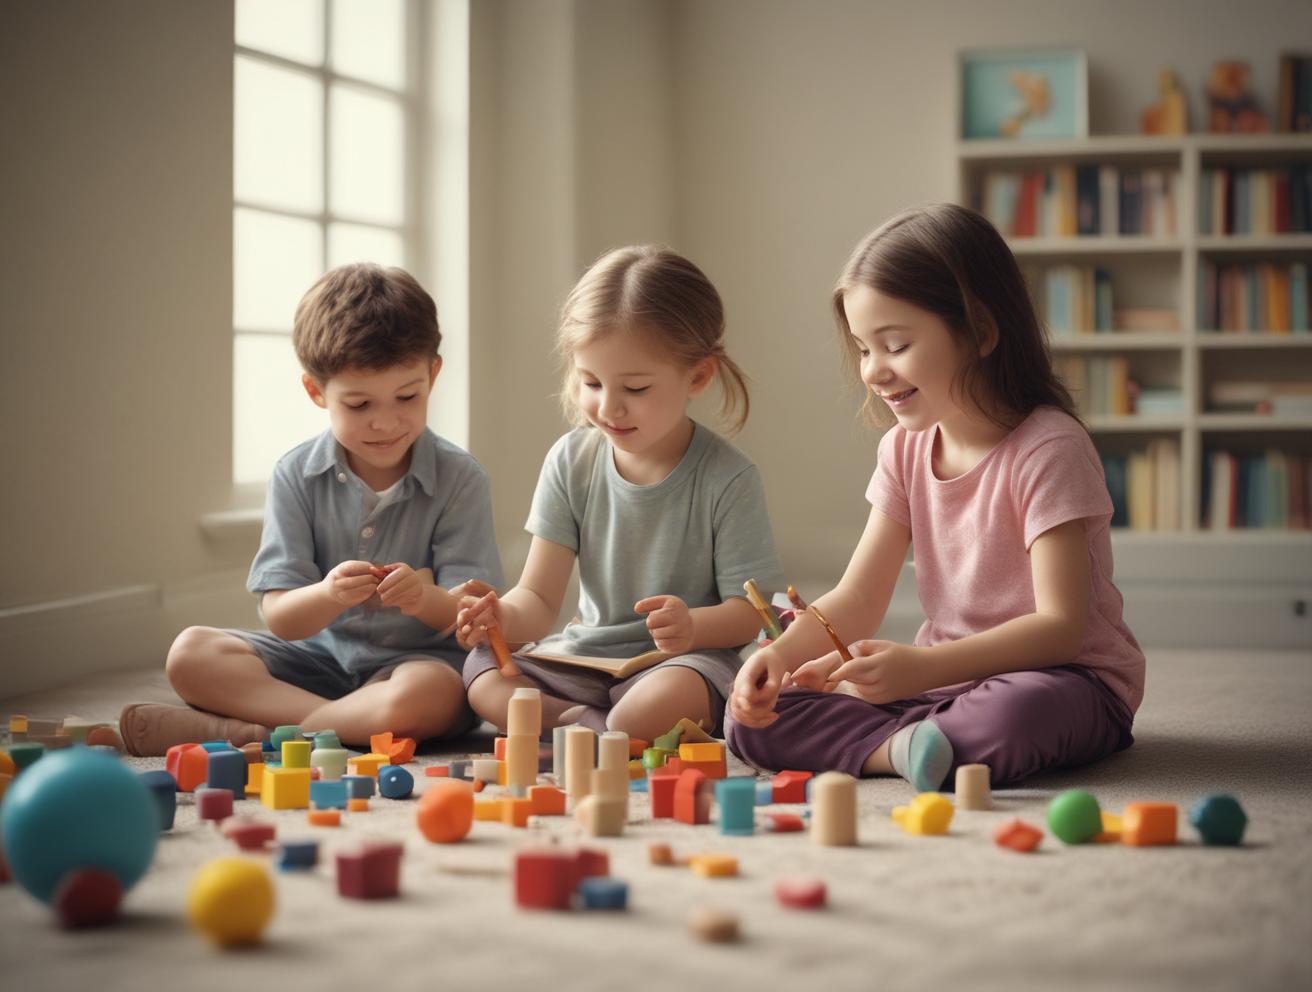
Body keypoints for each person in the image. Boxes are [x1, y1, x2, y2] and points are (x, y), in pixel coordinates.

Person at [727, 204, 1143, 790]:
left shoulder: (1049, 447)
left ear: (980, 332)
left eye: (893, 344)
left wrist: (919, 668)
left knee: (1015, 714)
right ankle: (908, 747)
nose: (872, 371)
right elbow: (858, 596)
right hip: (939, 686)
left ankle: (917, 738)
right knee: (752, 720)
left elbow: (1060, 627)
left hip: (1066, 681)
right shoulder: (904, 449)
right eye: (863, 348)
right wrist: (781, 656)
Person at [119, 263, 503, 755]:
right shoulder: (296, 474)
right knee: (191, 653)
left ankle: (252, 732)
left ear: (433, 374)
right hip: (315, 663)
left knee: (430, 696)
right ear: (316, 391)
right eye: (359, 404)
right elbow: (281, 617)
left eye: (407, 396)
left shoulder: (460, 478)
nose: (385, 422)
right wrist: (328, 594)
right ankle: (332, 725)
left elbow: (472, 615)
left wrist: (420, 599)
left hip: (417, 666)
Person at [456, 246, 785, 741]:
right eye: (590, 382)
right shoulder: (570, 461)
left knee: (659, 702)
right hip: (583, 661)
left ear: (697, 375)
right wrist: (500, 617)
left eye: (634, 388)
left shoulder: (728, 478)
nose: (608, 408)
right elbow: (540, 598)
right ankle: (582, 724)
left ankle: (596, 728)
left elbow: (750, 612)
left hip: (680, 664)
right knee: (481, 676)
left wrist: (693, 626)